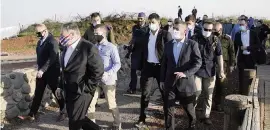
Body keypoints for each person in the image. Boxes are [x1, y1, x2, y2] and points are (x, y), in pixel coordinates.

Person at [55, 22, 104, 130]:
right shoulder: (65, 48)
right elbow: (64, 70)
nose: (61, 38)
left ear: (72, 34)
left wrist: (86, 88)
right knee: (78, 117)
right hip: (68, 90)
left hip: (81, 92)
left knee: (74, 121)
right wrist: (60, 86)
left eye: (63, 36)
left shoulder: (88, 48)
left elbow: (98, 71)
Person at [161, 19, 202, 130]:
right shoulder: (168, 45)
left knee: (189, 109)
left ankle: (192, 125)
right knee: (168, 109)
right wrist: (162, 80)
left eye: (177, 29)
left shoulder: (192, 45)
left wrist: (186, 73)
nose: (174, 31)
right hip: (170, 83)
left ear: (184, 31)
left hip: (186, 84)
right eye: (173, 28)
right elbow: (164, 63)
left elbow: (198, 62)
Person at [135, 13, 171, 128]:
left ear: (159, 23)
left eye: (153, 22)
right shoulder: (146, 36)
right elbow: (142, 53)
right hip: (148, 68)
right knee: (145, 94)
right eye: (149, 22)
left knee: (164, 94)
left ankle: (168, 121)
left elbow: (170, 54)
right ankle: (142, 118)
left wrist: (168, 70)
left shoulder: (165, 35)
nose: (151, 24)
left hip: (161, 68)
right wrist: (140, 68)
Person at [25, 24, 66, 122]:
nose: (37, 35)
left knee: (57, 93)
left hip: (52, 72)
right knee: (38, 93)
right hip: (41, 72)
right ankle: (32, 114)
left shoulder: (52, 42)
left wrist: (43, 69)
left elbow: (52, 58)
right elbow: (41, 57)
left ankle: (63, 111)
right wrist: (38, 66)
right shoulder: (40, 42)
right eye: (36, 33)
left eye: (39, 33)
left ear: (45, 31)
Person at [191, 19, 226, 125]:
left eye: (210, 29)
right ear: (202, 27)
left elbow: (219, 56)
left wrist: (221, 70)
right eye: (205, 29)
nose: (207, 31)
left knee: (208, 94)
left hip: (210, 71)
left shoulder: (215, 40)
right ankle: (192, 116)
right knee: (196, 93)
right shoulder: (195, 38)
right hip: (197, 70)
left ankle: (206, 116)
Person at [88, 24, 122, 130]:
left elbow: (117, 63)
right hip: (96, 80)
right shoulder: (94, 46)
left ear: (103, 34)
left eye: (97, 33)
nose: (95, 35)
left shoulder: (111, 47)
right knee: (91, 103)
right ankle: (91, 125)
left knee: (111, 104)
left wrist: (108, 73)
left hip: (108, 80)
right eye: (94, 33)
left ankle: (117, 124)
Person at [83, 12, 115, 99]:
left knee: (104, 74)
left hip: (104, 55)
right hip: (92, 56)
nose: (96, 22)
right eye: (94, 20)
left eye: (97, 20)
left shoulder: (105, 29)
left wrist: (111, 31)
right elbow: (84, 42)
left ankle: (104, 92)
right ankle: (94, 97)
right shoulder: (88, 31)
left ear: (100, 20)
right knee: (93, 75)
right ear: (91, 21)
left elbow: (112, 42)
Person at [234, 16, 261, 95]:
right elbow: (235, 47)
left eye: (242, 24)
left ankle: (250, 93)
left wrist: (248, 47)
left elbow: (258, 45)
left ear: (246, 24)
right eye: (240, 25)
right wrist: (234, 60)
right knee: (241, 76)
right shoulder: (238, 34)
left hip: (251, 58)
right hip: (242, 58)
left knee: (250, 76)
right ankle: (241, 93)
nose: (241, 26)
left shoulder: (253, 33)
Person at [213, 22, 236, 111]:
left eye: (215, 30)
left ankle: (218, 103)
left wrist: (232, 64)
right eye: (213, 29)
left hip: (222, 65)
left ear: (221, 30)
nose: (213, 31)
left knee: (221, 85)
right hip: (211, 64)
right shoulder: (210, 38)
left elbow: (232, 52)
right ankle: (207, 103)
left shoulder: (227, 39)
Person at [126, 12, 149, 94]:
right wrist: (130, 44)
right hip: (135, 52)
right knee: (133, 70)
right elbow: (133, 37)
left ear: (144, 19)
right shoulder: (134, 27)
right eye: (138, 18)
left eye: (141, 19)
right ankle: (132, 88)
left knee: (144, 71)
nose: (139, 20)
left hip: (145, 52)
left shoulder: (148, 28)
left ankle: (143, 87)